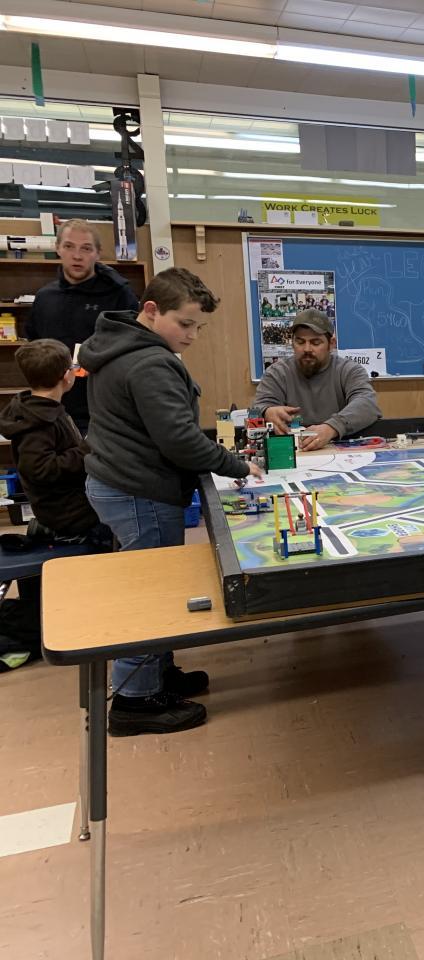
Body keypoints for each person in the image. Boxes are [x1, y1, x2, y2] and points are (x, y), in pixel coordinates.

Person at [80, 267, 263, 736]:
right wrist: (236, 466)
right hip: (140, 490)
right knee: (152, 596)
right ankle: (135, 702)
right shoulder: (150, 362)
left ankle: (157, 674)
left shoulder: (119, 344)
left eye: (199, 326)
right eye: (185, 324)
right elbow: (179, 439)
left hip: (118, 482)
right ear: (151, 310)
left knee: (151, 586)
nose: (192, 336)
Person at [26, 219, 140, 433]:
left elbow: (135, 350)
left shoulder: (119, 295)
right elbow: (36, 349)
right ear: (58, 249)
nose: (77, 256)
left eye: (86, 248)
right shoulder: (44, 298)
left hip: (109, 411)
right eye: (69, 246)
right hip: (56, 409)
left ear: (98, 253)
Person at [0, 339, 105, 542]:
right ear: (66, 376)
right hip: (67, 514)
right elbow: (41, 469)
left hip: (66, 505)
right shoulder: (38, 421)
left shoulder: (43, 410)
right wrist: (87, 448)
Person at [253, 309, 381, 451]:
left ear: (331, 344)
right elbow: (260, 405)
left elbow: (367, 404)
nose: (307, 349)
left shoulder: (349, 370)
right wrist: (267, 411)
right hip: (292, 451)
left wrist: (331, 428)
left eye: (315, 342)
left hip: (340, 450)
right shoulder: (277, 373)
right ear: (292, 342)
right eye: (300, 342)